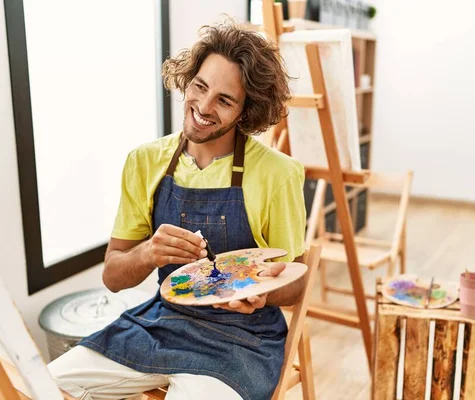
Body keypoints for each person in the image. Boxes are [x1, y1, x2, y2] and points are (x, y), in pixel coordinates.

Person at [49, 20, 306, 400]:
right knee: (45, 385)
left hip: (243, 340)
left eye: (224, 99)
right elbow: (113, 276)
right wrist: (148, 252)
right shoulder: (145, 161)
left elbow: (297, 282)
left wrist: (264, 291)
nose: (203, 106)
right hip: (163, 323)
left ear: (245, 111)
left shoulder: (277, 173)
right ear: (188, 81)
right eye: (200, 87)